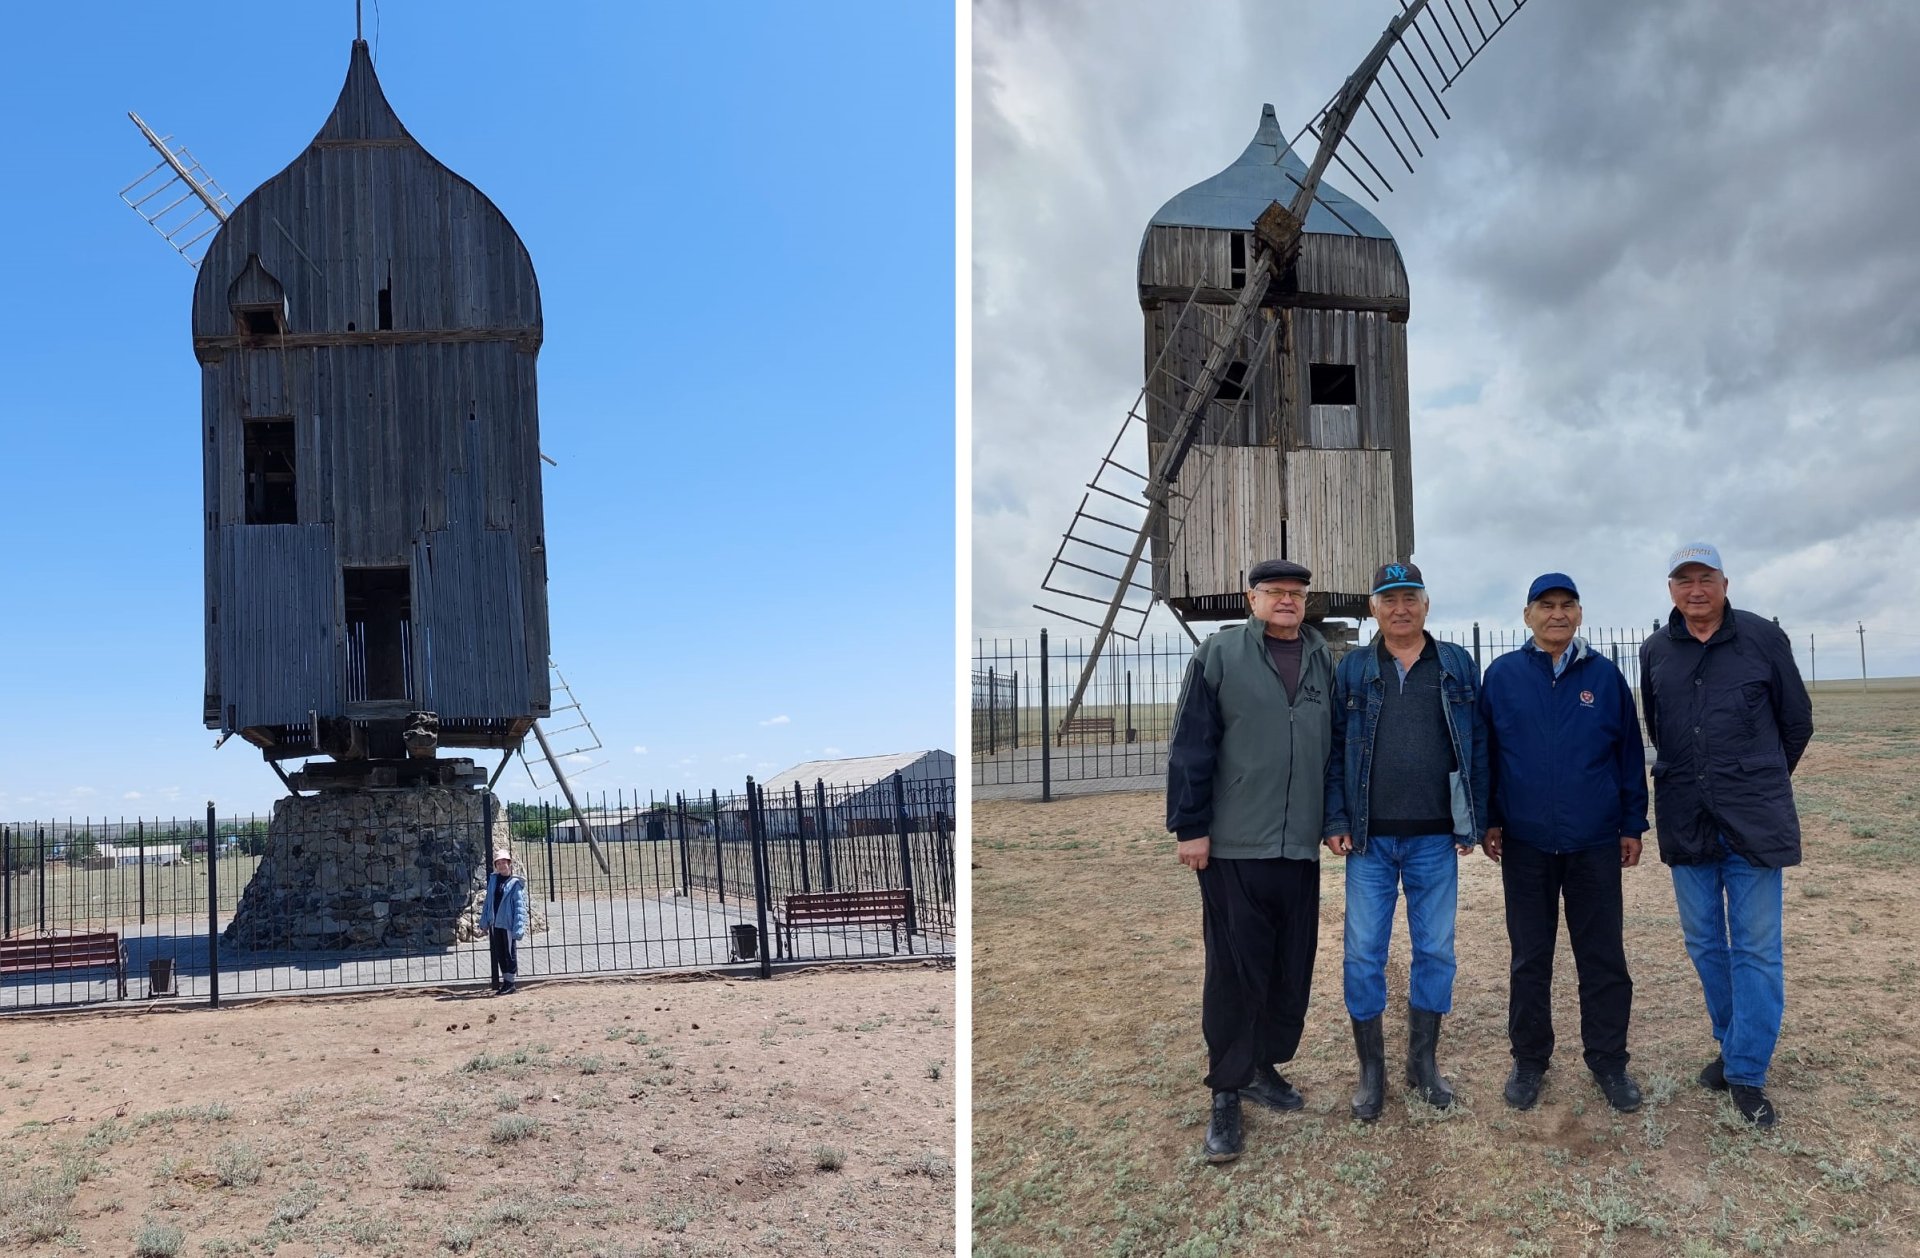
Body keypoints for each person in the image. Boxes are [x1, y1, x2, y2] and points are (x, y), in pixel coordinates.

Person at [1167, 559, 1335, 1163]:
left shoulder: (1321, 658)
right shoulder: (1219, 654)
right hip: (1235, 843)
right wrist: (1191, 826)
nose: (1287, 601)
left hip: (1299, 845)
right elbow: (1191, 742)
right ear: (1251, 598)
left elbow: (1334, 748)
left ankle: (1264, 1065)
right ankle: (1227, 1092)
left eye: (1296, 593)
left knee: (1291, 965)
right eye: (1274, 593)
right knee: (1235, 972)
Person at [1640, 543, 1811, 1128]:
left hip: (1753, 822)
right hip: (1688, 817)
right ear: (1671, 590)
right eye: (1683, 580)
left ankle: (1745, 1072)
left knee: (1758, 949)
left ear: (1724, 582)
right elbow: (1658, 727)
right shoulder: (1656, 650)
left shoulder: (1763, 639)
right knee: (1706, 943)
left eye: (1705, 578)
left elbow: (1796, 722)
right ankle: (1732, 1041)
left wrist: (1757, 779)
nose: (1695, 590)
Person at [1479, 573, 1649, 1113]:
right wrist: (1490, 817)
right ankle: (1529, 1060)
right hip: (1526, 843)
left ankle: (1609, 1061)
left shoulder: (1604, 677)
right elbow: (1487, 755)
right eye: (1546, 605)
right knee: (1530, 957)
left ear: (1579, 613)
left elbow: (1627, 756)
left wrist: (1631, 824)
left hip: (1594, 841)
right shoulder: (1502, 676)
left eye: (1567, 605)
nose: (1557, 614)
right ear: (1527, 615)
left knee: (1602, 956)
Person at [1323, 561, 1486, 1121]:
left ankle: (1423, 1063)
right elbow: (1335, 749)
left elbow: (1476, 746)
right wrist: (1337, 817)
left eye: (1410, 597)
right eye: (1389, 598)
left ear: (1426, 603)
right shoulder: (1352, 669)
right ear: (1373, 607)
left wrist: (1474, 820)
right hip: (1369, 842)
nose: (1400, 608)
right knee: (1364, 954)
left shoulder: (1456, 665)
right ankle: (1372, 1071)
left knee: (1435, 950)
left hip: (1435, 840)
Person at [479, 849, 529, 995]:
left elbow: (520, 907)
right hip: (496, 923)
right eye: (498, 863)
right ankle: (506, 982)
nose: (501, 866)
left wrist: (519, 927)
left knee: (509, 953)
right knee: (500, 953)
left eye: (504, 863)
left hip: (507, 923)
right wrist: (484, 921)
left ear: (509, 864)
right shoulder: (494, 880)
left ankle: (511, 982)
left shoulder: (515, 884)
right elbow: (489, 902)